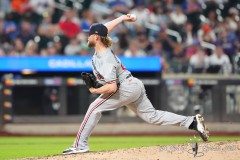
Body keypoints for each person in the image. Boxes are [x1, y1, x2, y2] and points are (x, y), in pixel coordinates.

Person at [62, 14, 209, 155]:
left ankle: (80, 145)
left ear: (96, 37)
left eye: (89, 34)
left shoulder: (105, 58)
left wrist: (95, 89)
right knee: (152, 116)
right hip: (133, 84)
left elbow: (112, 87)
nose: (87, 36)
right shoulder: (102, 48)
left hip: (124, 87)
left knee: (93, 108)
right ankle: (191, 122)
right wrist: (122, 18)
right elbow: (104, 29)